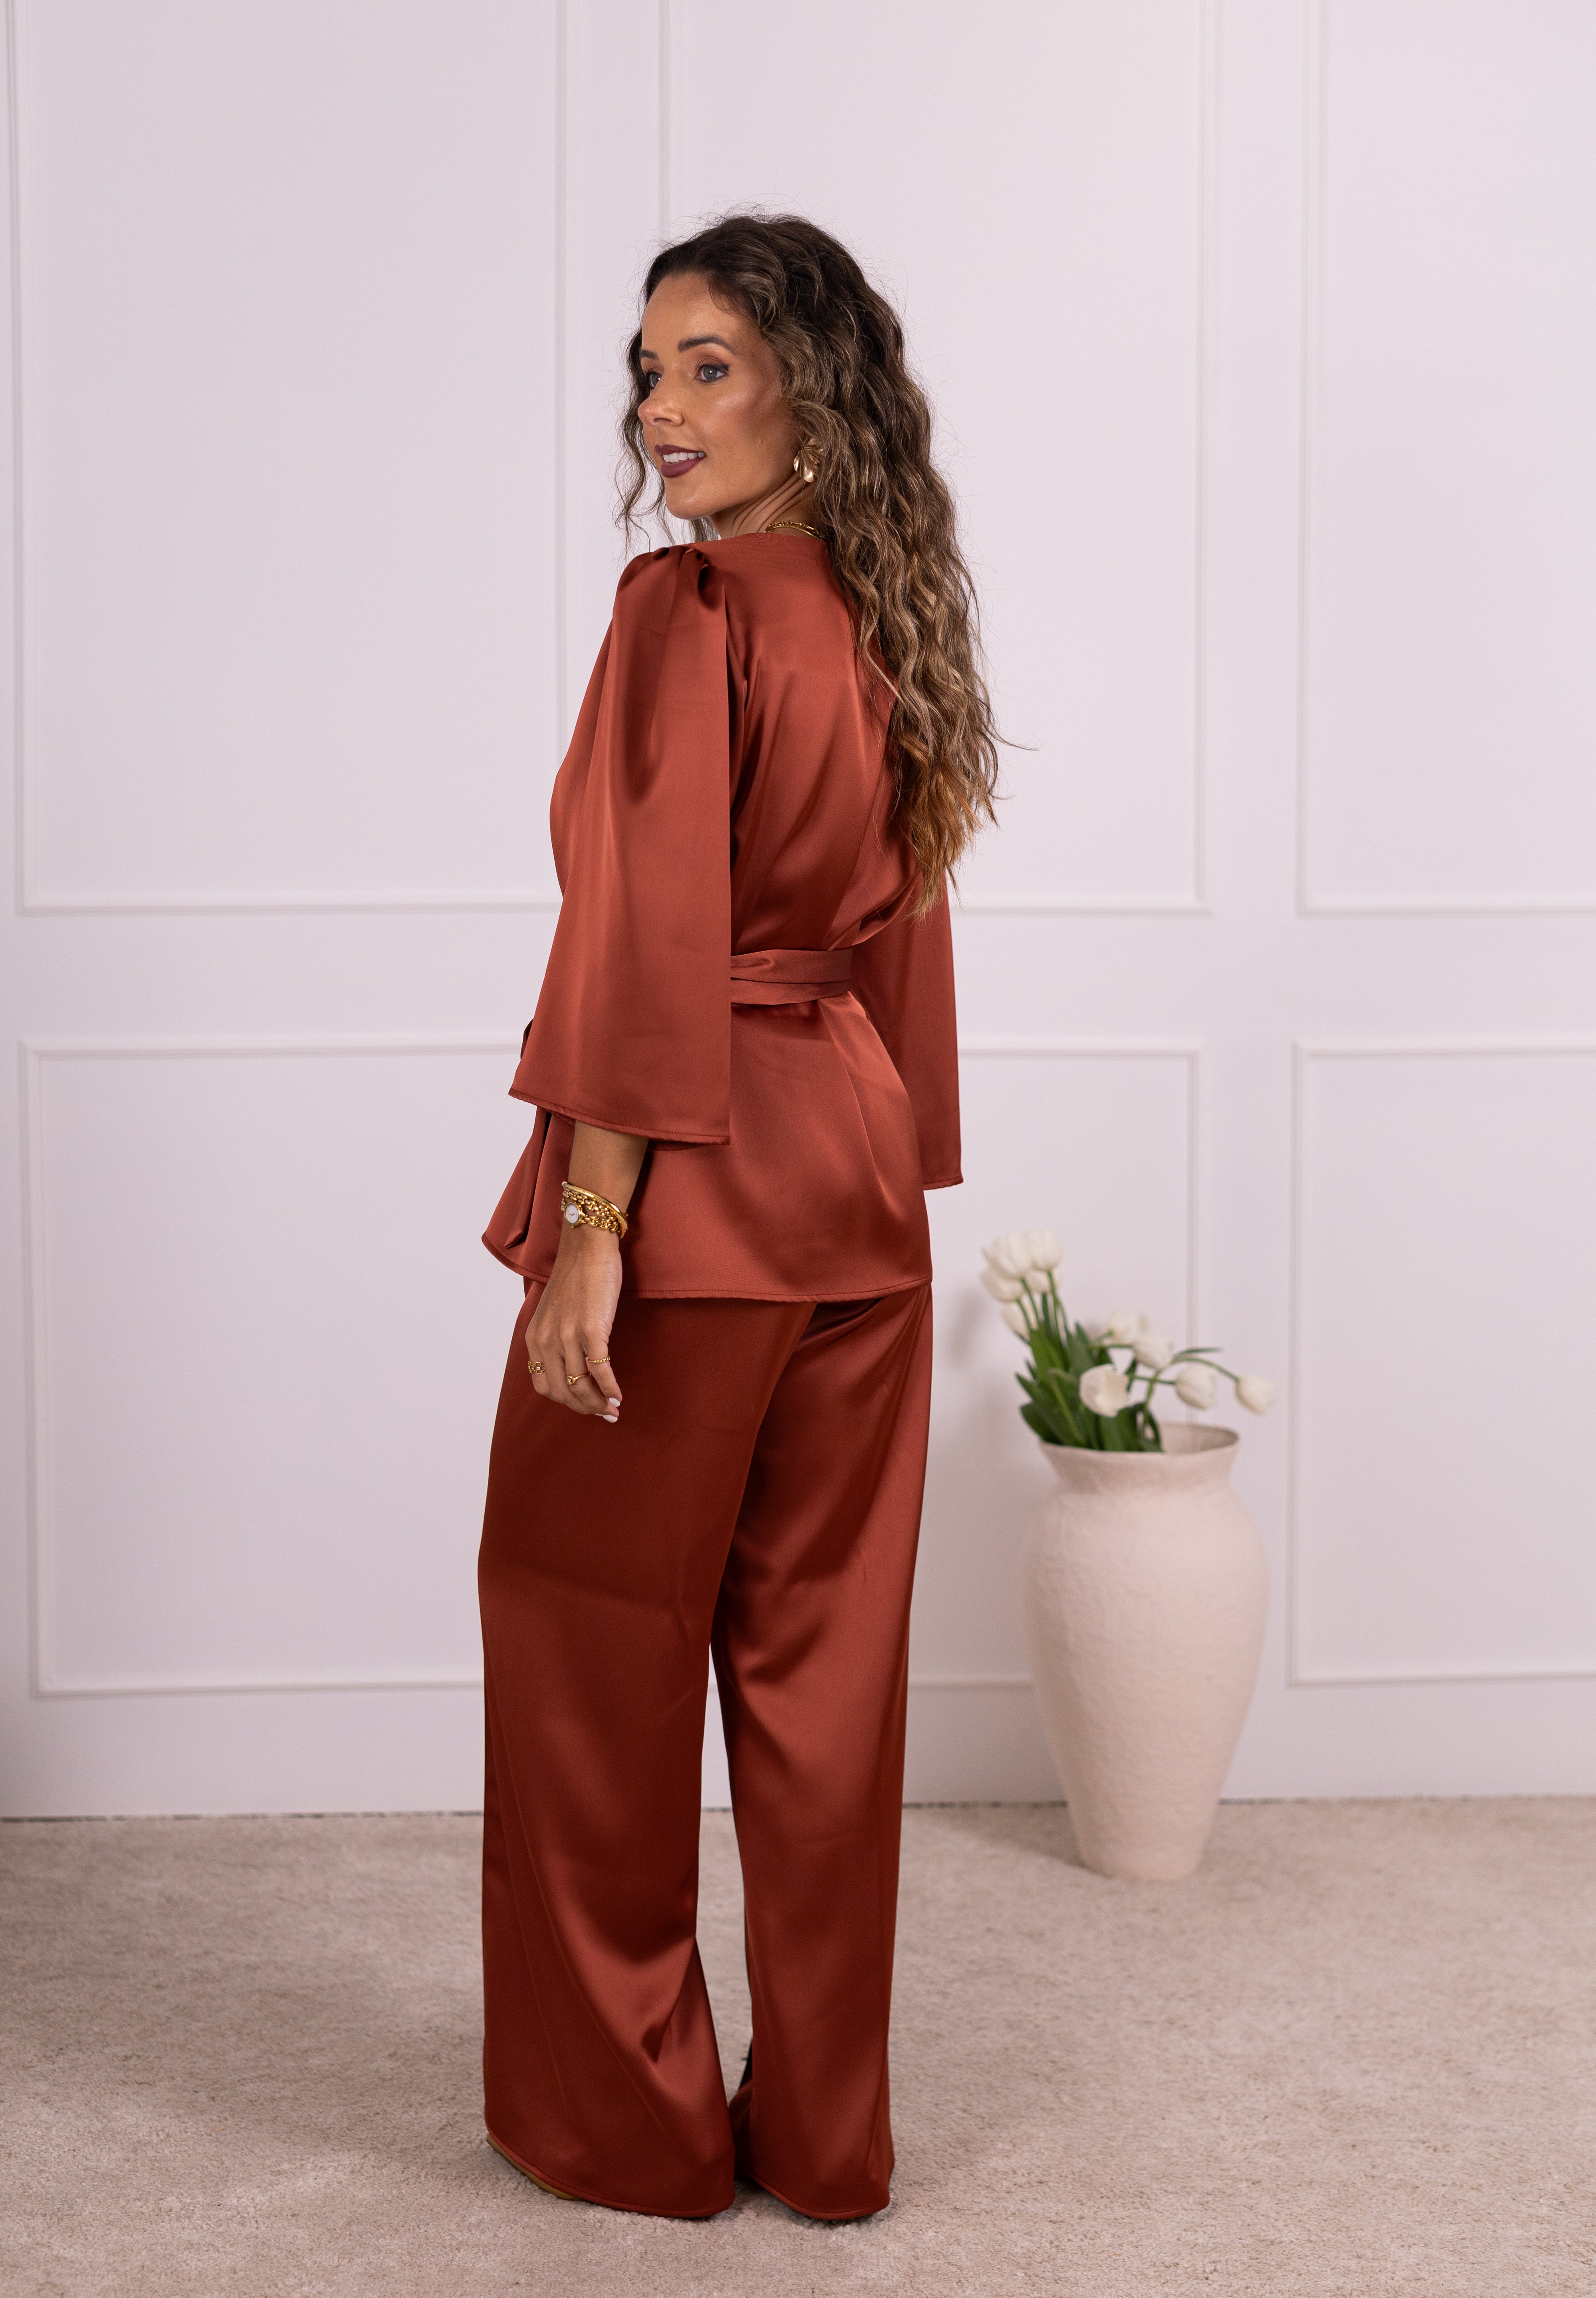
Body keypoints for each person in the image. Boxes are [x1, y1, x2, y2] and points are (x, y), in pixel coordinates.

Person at [476, 212, 998, 2223]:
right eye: (647, 369)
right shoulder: (889, 608)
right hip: (852, 1195)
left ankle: (634, 2129)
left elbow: (642, 928)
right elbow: (896, 946)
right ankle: (829, 2143)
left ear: (809, 385)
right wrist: (898, 1154)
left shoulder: (687, 608)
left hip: (689, 1195)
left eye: (706, 365)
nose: (660, 408)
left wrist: (592, 1217)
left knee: (587, 1641)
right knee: (824, 1683)